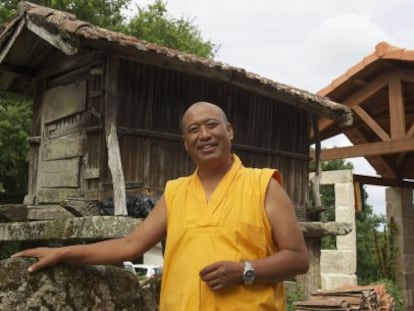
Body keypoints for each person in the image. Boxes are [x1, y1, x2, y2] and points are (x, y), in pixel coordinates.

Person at [13, 101, 309, 310]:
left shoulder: (263, 185)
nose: (203, 135)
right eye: (193, 130)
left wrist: (246, 270)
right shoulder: (176, 192)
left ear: (229, 130)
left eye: (211, 125)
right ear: (185, 142)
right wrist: (62, 252)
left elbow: (298, 258)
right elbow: (130, 245)